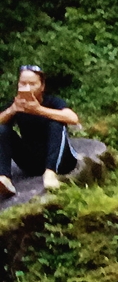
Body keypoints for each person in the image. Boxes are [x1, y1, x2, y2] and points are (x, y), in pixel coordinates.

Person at [0, 65, 80, 197]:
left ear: (42, 86)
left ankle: (50, 173)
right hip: (32, 163)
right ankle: (4, 178)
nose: (27, 87)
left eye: (32, 84)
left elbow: (73, 118)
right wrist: (12, 110)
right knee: (2, 130)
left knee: (56, 123)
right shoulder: (16, 104)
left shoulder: (52, 101)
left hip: (61, 162)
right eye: (23, 83)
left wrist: (38, 110)